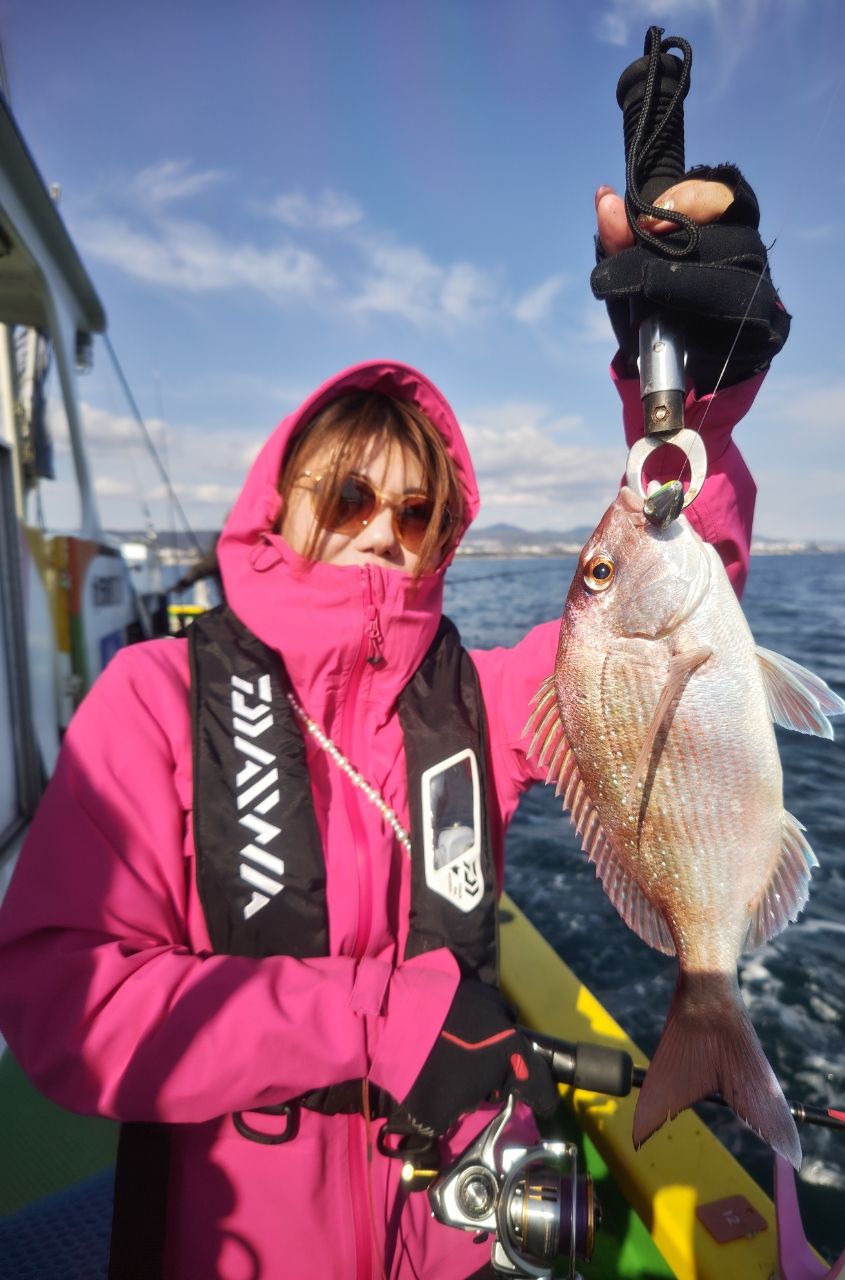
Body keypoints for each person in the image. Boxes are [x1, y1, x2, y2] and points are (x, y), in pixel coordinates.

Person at [0, 176, 785, 1279]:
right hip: (243, 1240)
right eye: (349, 498)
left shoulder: (481, 697)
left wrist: (695, 406)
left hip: (447, 1234)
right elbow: (63, 999)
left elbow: (660, 659)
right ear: (280, 507)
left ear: (442, 536)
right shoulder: (152, 695)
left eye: (416, 512)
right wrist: (373, 1020)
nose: (382, 532)